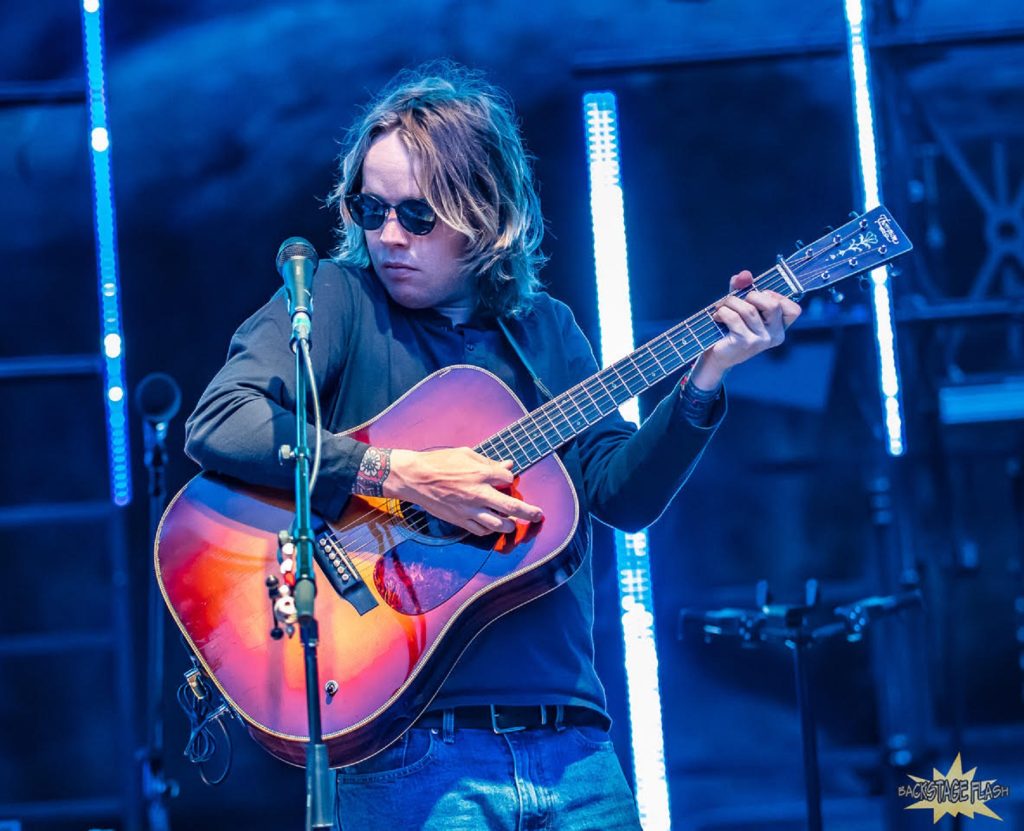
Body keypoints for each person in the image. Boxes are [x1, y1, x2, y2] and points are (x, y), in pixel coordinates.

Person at [184, 61, 801, 831]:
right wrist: (396, 471)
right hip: (410, 749)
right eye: (369, 208)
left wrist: (704, 381)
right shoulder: (337, 300)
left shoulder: (548, 331)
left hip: (573, 744)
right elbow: (221, 419)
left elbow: (622, 497)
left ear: (485, 214)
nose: (385, 236)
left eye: (417, 216)